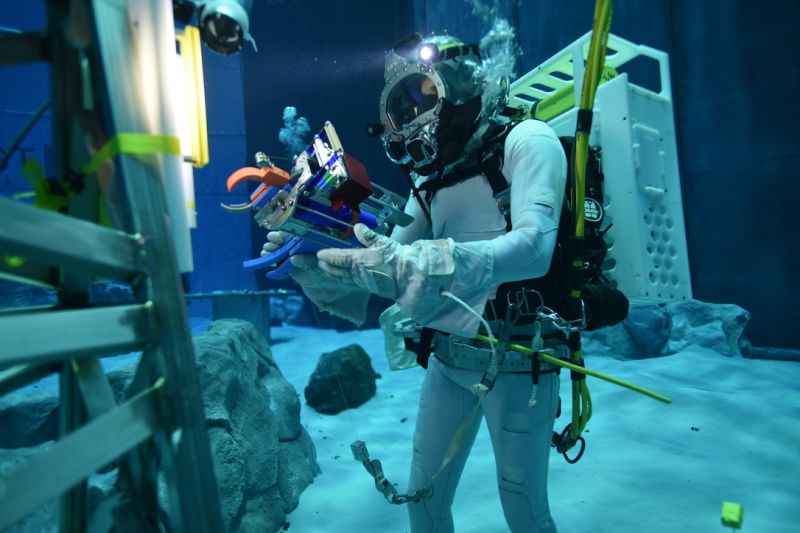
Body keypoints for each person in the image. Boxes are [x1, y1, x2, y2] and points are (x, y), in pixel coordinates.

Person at [264, 33, 566, 533]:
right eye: (401, 109)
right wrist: (313, 260)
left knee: (523, 510)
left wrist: (438, 261)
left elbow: (536, 249)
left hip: (521, 356)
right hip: (448, 355)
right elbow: (390, 261)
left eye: (421, 97)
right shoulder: (429, 181)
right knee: (422, 505)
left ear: (459, 84)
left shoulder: (528, 140)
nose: (412, 119)